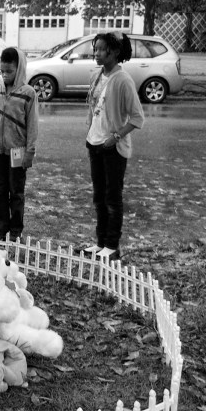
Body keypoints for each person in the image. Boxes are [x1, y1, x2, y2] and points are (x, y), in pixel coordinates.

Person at [84, 32, 145, 259]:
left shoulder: (123, 80)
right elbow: (94, 107)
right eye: (95, 49)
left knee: (112, 197)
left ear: (115, 52)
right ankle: (100, 243)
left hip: (112, 149)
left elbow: (137, 118)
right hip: (94, 144)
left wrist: (115, 137)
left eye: (101, 49)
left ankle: (112, 246)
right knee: (99, 197)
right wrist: (91, 132)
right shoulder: (98, 76)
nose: (96, 53)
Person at [0, 47, 38, 240]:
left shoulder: (28, 93)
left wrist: (30, 151)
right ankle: (1, 228)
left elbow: (32, 126)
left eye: (9, 71)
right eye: (2, 71)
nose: (5, 75)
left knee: (16, 192)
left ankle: (15, 231)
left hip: (18, 152)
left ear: (19, 69)